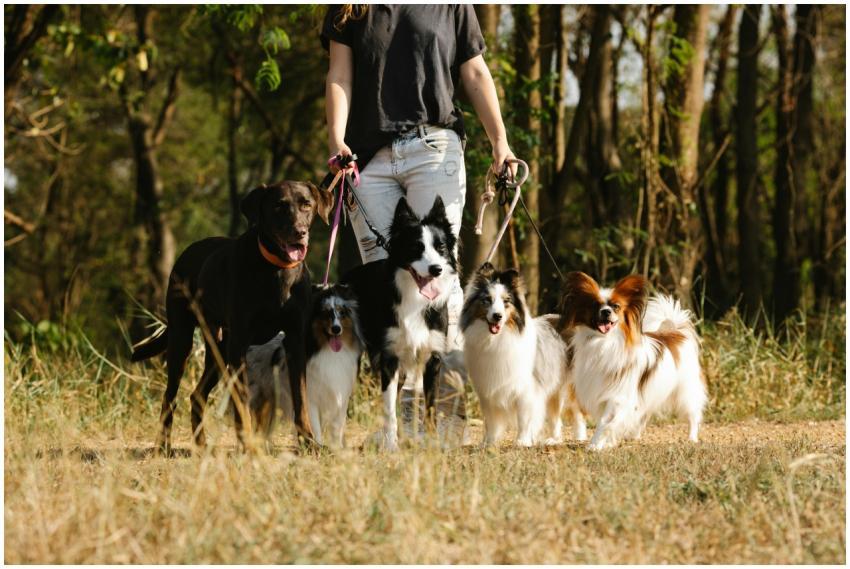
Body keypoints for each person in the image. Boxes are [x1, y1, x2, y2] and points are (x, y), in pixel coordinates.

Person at [321, 4, 515, 440]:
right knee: (388, 293)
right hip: (367, 160)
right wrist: (338, 140)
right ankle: (403, 425)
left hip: (435, 149)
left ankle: (446, 418)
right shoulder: (349, 7)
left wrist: (500, 145)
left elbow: (476, 73)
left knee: (440, 287)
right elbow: (339, 76)